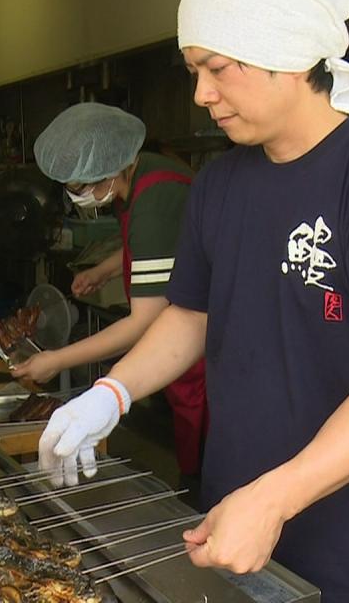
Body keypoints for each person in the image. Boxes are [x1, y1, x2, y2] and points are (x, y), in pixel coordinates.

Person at [37, 0, 349, 603]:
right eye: (194, 71)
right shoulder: (220, 184)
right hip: (234, 527)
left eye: (216, 69)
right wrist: (112, 395)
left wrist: (274, 499)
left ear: (287, 55)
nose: (202, 94)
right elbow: (188, 317)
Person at [14, 102, 208, 485]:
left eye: (78, 187)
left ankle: (196, 492)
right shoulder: (143, 171)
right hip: (186, 323)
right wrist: (103, 271)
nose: (76, 197)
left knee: (204, 453)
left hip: (202, 337)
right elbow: (157, 243)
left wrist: (57, 360)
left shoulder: (156, 197)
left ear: (107, 169)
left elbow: (144, 323)